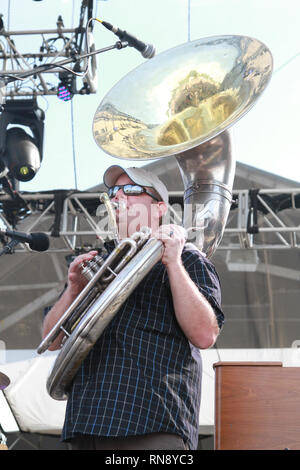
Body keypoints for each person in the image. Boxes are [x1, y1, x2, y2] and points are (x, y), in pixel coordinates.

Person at [42, 165, 224, 451]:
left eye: (132, 190)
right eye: (114, 192)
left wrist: (173, 262)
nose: (119, 197)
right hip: (86, 421)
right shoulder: (98, 262)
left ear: (160, 206)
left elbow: (204, 334)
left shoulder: (188, 259)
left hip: (152, 419)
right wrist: (73, 289)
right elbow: (51, 341)